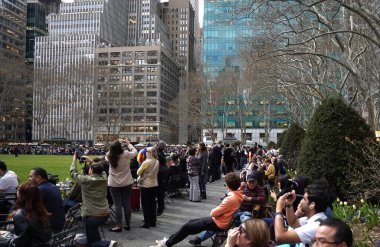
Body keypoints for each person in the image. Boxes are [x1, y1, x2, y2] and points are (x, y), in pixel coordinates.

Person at [154, 172, 243, 247]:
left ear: (228, 186)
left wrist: (216, 209)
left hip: (219, 223)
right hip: (220, 221)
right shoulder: (238, 195)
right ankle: (168, 240)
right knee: (189, 223)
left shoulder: (231, 198)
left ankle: (167, 243)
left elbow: (213, 213)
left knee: (187, 227)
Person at [70, 153, 117, 247]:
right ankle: (101, 242)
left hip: (92, 215)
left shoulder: (85, 179)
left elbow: (72, 172)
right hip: (105, 213)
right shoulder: (104, 178)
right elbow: (103, 169)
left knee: (92, 242)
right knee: (93, 233)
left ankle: (108, 243)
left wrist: (74, 160)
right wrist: (91, 161)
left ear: (91, 171)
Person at [274, 182, 329, 247]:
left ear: (312, 205)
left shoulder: (315, 226)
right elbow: (292, 222)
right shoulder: (316, 218)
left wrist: (278, 209)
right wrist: (289, 204)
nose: (301, 201)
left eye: (304, 199)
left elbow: (280, 237)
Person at [0, 181, 52, 247]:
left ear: (21, 195)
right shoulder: (41, 210)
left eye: (18, 189)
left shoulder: (21, 214)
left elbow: (18, 244)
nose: (17, 191)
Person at [106, 138, 137, 232]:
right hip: (126, 182)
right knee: (127, 204)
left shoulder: (109, 155)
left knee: (118, 205)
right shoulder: (125, 154)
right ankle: (127, 224)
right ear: (120, 147)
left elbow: (108, 154)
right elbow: (135, 152)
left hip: (114, 184)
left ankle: (119, 225)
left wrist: (116, 144)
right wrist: (128, 144)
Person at [28, 167, 65, 233]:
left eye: (30, 176)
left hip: (49, 227)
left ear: (38, 177)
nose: (28, 179)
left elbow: (29, 208)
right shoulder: (54, 187)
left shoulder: (40, 190)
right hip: (60, 224)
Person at [137, 147, 159, 228]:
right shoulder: (157, 161)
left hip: (146, 185)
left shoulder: (146, 162)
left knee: (145, 204)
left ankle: (147, 222)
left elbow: (138, 172)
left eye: (147, 151)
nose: (146, 153)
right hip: (154, 184)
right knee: (152, 203)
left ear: (150, 153)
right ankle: (153, 221)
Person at [156, 140, 169, 216]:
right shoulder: (162, 154)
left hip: (159, 177)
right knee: (161, 195)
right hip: (163, 177)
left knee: (160, 195)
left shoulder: (159, 154)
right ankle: (160, 209)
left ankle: (159, 210)